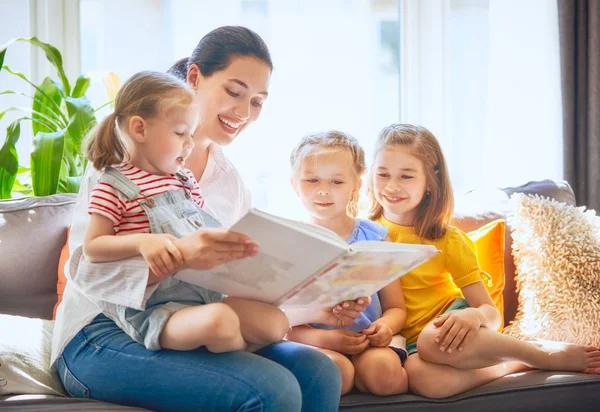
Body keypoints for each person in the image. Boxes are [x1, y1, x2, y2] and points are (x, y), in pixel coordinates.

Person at [52, 26, 366, 412]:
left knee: (319, 371)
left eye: (256, 102)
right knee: (272, 389)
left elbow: (237, 289)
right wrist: (180, 256)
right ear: (196, 78)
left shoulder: (229, 183)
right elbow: (87, 269)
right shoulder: (125, 158)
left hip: (196, 320)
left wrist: (320, 307)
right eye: (234, 92)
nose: (243, 112)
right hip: (101, 330)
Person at [367, 123, 600, 398]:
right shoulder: (364, 232)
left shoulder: (447, 240)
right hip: (408, 344)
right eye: (383, 174)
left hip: (452, 327)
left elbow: (490, 313)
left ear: (431, 181)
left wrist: (473, 315)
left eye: (406, 176)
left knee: (432, 339)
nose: (391, 186)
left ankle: (539, 353)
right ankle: (515, 363)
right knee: (424, 380)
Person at [82, 70, 289, 353]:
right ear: (140, 129)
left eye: (190, 134)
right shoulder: (113, 184)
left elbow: (205, 232)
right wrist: (144, 242)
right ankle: (243, 355)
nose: (189, 144)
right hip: (157, 309)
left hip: (205, 294)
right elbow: (93, 247)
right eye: (180, 133)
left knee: (275, 322)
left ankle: (237, 348)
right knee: (222, 322)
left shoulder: (183, 180)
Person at [285, 131, 409, 396]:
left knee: (384, 376)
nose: (323, 190)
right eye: (312, 179)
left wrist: (385, 327)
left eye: (337, 181)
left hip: (370, 342)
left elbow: (396, 307)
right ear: (295, 184)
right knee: (334, 374)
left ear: (355, 187)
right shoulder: (288, 241)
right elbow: (283, 325)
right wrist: (324, 338)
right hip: (317, 342)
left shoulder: (376, 237)